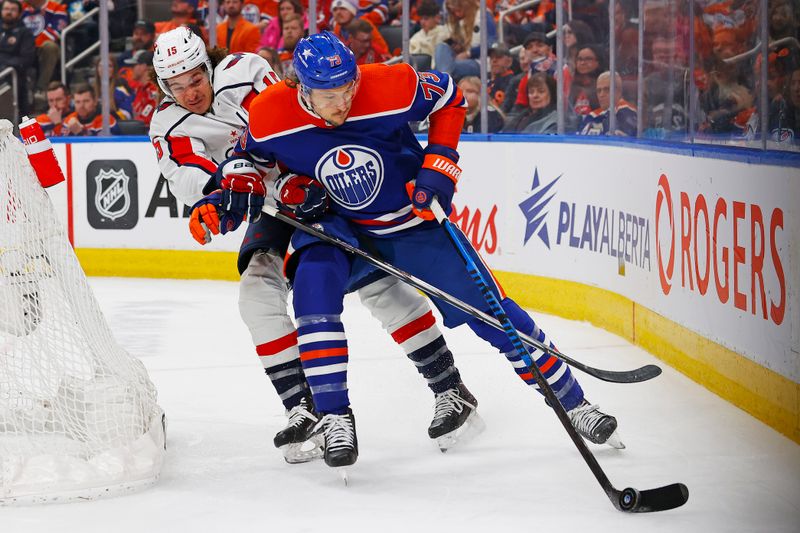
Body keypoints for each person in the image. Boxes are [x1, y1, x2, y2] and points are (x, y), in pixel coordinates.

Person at [203, 31, 623, 470]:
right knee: (313, 290)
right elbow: (246, 157)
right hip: (336, 226)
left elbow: (449, 96)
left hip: (409, 222)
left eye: (348, 88)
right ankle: (334, 417)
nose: (342, 103)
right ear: (302, 88)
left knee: (490, 311)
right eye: (329, 95)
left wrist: (439, 167)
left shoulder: (388, 84)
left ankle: (575, 405)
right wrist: (251, 190)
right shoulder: (272, 110)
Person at [148, 26, 482, 463]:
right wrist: (218, 201)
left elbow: (293, 122)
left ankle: (450, 387)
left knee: (377, 285)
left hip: (324, 185)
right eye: (176, 86)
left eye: (195, 78)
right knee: (256, 296)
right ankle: (303, 409)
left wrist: (293, 180)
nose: (190, 91)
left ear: (208, 66)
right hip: (270, 205)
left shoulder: (245, 72)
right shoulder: (166, 124)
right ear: (163, 87)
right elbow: (194, 177)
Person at [21, 0, 67, 101]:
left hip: (46, 49)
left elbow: (56, 31)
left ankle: (41, 89)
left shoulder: (57, 8)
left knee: (49, 46)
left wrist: (31, 44)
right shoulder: (21, 8)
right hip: (25, 49)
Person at [0, 0, 35, 116]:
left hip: (14, 77)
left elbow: (26, 59)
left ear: (20, 13)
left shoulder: (25, 33)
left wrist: (4, 64)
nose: (9, 12)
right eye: (6, 9)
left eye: (13, 9)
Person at [578, 71, 637, 136]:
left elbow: (620, 141)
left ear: (619, 91)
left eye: (606, 89)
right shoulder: (593, 115)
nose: (601, 95)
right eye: (599, 91)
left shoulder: (627, 111)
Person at [408, 0, 449, 68]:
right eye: (421, 19)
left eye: (426, 19)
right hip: (418, 71)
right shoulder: (416, 37)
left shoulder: (446, 33)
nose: (422, 22)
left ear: (437, 18)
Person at [126, 50, 159, 125]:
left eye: (133, 65)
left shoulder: (154, 90)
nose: (131, 69)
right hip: (138, 132)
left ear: (143, 66)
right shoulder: (139, 88)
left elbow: (147, 120)